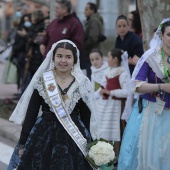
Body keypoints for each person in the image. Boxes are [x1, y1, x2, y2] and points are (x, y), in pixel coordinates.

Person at [7, 40, 98, 170]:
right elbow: (31, 114)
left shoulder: (82, 83)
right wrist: (22, 144)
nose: (63, 61)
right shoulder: (43, 80)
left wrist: (92, 143)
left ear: (74, 59)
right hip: (43, 136)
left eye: (68, 57)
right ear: (53, 57)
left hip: (74, 137)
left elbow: (86, 115)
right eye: (59, 56)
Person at [118, 18, 170, 170]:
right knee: (151, 154)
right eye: (169, 35)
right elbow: (136, 85)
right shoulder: (151, 57)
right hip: (153, 112)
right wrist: (161, 86)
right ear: (161, 36)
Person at [95, 49, 130, 157]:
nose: (107, 59)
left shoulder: (122, 73)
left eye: (109, 57)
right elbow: (103, 85)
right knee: (103, 128)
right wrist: (99, 93)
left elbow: (126, 92)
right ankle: (104, 154)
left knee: (117, 130)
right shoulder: (107, 71)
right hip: (105, 105)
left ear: (115, 59)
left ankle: (117, 155)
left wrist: (110, 92)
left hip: (116, 106)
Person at [84, 2, 104, 78]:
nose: (84, 11)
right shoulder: (91, 20)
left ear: (92, 10)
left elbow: (93, 37)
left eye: (86, 9)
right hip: (92, 51)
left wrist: (84, 46)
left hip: (91, 52)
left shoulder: (94, 20)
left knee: (91, 75)